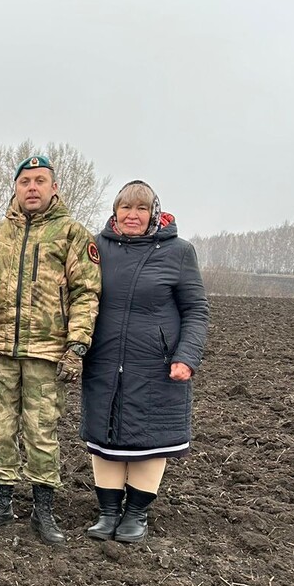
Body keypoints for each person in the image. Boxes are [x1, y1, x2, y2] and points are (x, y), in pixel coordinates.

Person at [0, 154, 101, 545]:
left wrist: (77, 345)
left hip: (47, 352)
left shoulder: (72, 234)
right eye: (26, 182)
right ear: (15, 188)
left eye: (41, 181)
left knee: (42, 433)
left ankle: (44, 510)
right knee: (1, 431)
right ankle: (2, 503)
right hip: (0, 351)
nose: (33, 188)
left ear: (54, 187)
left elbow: (86, 293)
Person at [80, 180, 208, 544]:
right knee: (105, 437)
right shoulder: (96, 247)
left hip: (156, 364)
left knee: (148, 440)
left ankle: (136, 513)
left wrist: (186, 356)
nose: (132, 216)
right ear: (115, 212)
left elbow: (196, 309)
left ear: (154, 213)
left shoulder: (179, 252)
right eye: (125, 208)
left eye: (140, 209)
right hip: (103, 360)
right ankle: (107, 512)